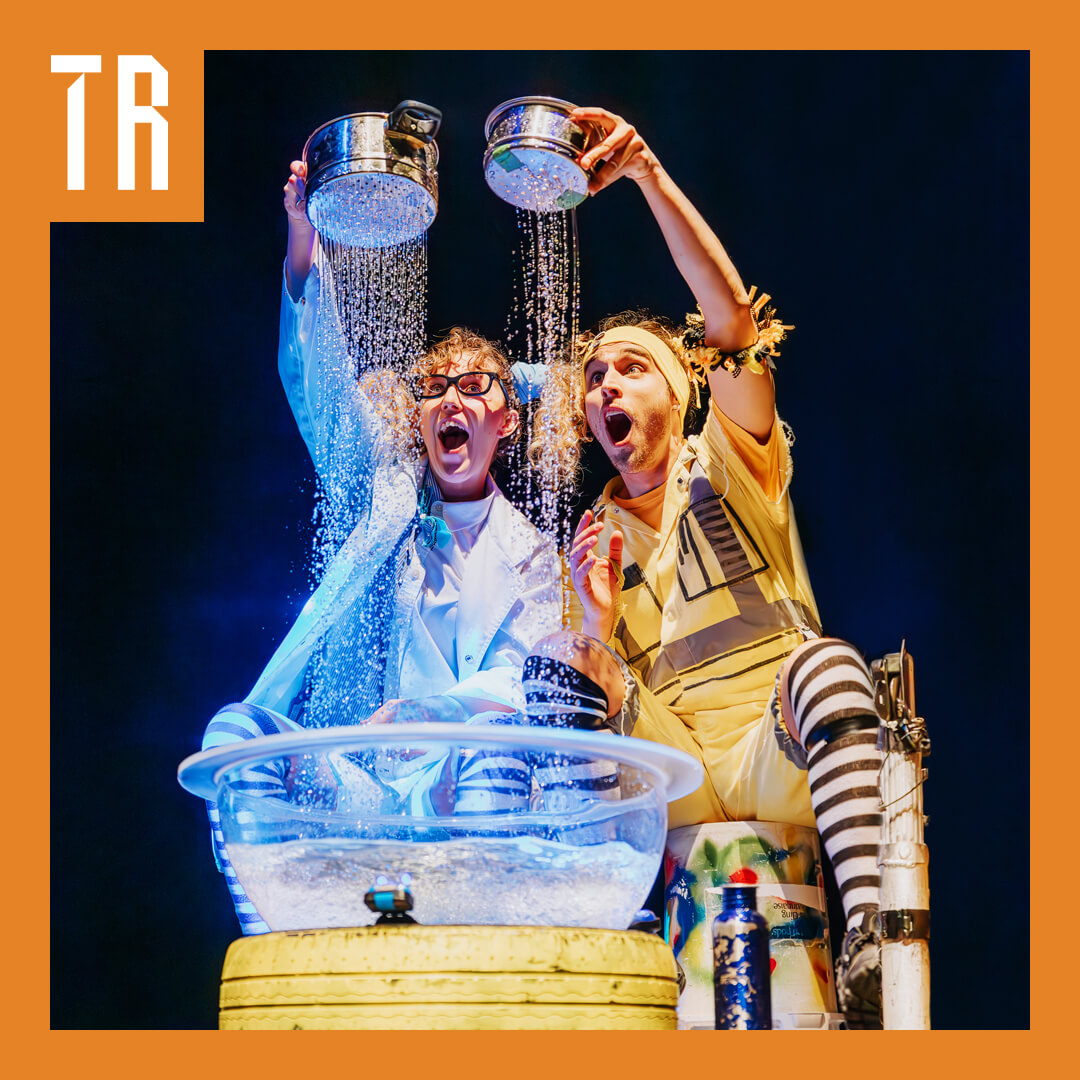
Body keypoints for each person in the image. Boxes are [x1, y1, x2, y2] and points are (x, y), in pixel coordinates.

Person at [527, 107, 885, 1024]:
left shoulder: (729, 458)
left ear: (681, 391)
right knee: (562, 667)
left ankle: (872, 937)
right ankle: (590, 947)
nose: (606, 385)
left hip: (774, 745)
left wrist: (645, 171)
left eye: (631, 370)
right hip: (678, 772)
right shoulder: (591, 536)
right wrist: (593, 627)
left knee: (831, 661)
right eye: (595, 378)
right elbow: (590, 719)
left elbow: (729, 322)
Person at [201, 160, 563, 935]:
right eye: (433, 389)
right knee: (237, 735)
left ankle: (473, 943)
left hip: (466, 781)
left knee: (497, 744)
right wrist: (306, 247)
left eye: (475, 387)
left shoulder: (535, 553)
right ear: (417, 416)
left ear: (508, 422)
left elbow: (521, 681)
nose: (451, 402)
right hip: (369, 786)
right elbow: (323, 394)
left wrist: (432, 712)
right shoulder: (384, 503)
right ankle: (276, 944)